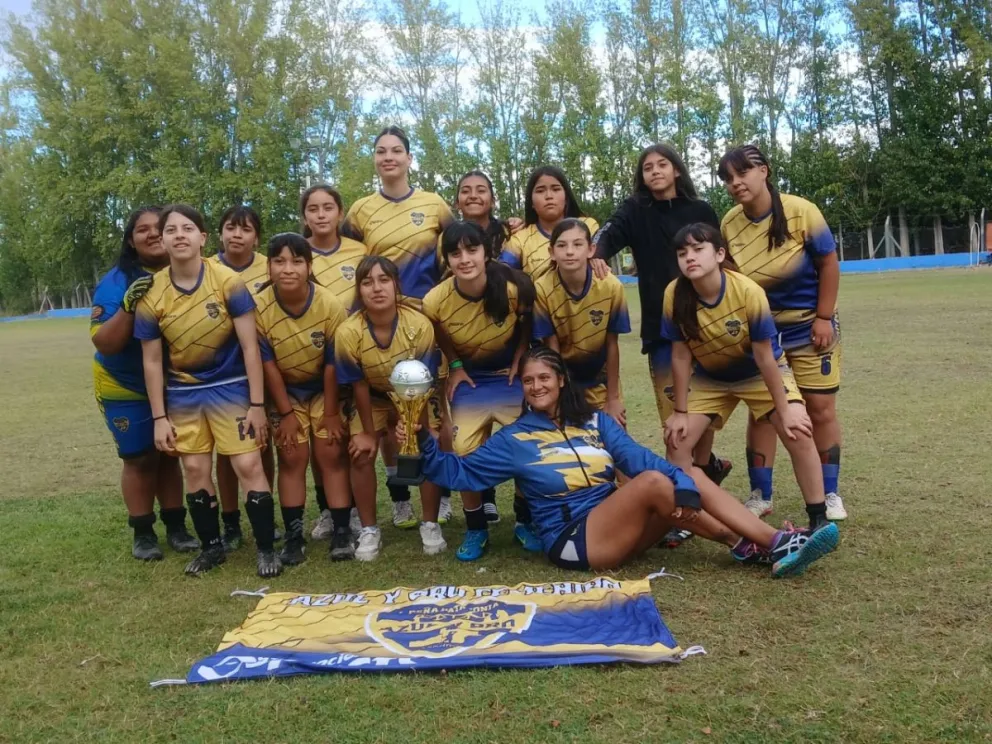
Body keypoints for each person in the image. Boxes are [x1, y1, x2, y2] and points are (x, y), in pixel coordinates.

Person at [398, 346, 839, 576]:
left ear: (560, 380)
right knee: (653, 484)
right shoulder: (515, 439)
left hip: (618, 524)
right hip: (573, 541)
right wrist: (421, 439)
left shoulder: (594, 420)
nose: (535, 386)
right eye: (529, 381)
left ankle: (753, 547)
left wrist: (680, 481)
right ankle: (775, 542)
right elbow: (459, 473)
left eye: (544, 378)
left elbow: (637, 456)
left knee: (677, 476)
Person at [592, 143, 732, 547]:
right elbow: (609, 232)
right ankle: (687, 501)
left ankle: (699, 477)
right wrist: (597, 254)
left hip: (708, 328)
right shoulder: (635, 210)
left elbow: (723, 258)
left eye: (662, 164)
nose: (654, 171)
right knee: (676, 419)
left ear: (676, 170)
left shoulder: (701, 210)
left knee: (701, 412)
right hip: (663, 332)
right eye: (647, 167)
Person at [134, 204, 281, 578]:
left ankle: (266, 548)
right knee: (196, 468)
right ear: (163, 240)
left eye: (188, 228)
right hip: (182, 394)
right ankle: (211, 547)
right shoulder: (153, 295)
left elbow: (251, 347)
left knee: (248, 464)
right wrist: (159, 418)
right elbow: (152, 361)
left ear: (203, 238)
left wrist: (258, 405)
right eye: (171, 230)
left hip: (231, 389)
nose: (179, 235)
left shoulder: (227, 280)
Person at [661, 223, 830, 531]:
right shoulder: (674, 293)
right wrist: (680, 412)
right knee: (677, 439)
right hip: (711, 377)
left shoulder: (748, 291)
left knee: (797, 431)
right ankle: (686, 518)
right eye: (683, 253)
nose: (690, 258)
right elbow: (681, 354)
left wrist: (785, 408)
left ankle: (819, 518)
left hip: (758, 373)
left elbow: (766, 357)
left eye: (698, 249)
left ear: (719, 253)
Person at [718, 144, 846, 522]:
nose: (735, 183)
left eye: (742, 173)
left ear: (764, 171)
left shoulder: (802, 211)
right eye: (727, 178)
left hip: (809, 325)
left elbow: (829, 264)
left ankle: (830, 493)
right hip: (763, 333)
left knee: (819, 409)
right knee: (763, 412)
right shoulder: (729, 223)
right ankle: (761, 494)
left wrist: (823, 318)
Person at [340, 126, 456, 529]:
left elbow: (457, 249)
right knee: (388, 420)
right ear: (374, 160)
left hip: (423, 325)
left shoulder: (434, 204)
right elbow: (344, 260)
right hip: (377, 323)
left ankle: (438, 495)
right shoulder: (359, 211)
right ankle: (399, 495)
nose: (388, 157)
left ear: (409, 158)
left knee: (430, 417)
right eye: (380, 151)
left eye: (396, 151)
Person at [422, 221, 538, 561]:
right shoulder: (435, 300)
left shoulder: (515, 286)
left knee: (527, 444)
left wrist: (521, 358)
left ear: (487, 252)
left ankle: (525, 522)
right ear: (447, 260)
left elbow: (527, 322)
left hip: (508, 379)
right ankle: (476, 530)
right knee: (462, 451)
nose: (464, 259)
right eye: (455, 253)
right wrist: (456, 365)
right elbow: (440, 334)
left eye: (472, 250)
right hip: (471, 382)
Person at [90, 206, 198, 560]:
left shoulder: (188, 273)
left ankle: (177, 526)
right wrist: (128, 306)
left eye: (160, 227)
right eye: (143, 230)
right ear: (131, 241)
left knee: (168, 455)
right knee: (138, 458)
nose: (153, 234)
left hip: (171, 383)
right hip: (124, 384)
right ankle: (143, 532)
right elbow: (105, 343)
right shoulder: (116, 283)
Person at [334, 255, 445, 561]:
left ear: (397, 285)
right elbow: (357, 386)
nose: (377, 288)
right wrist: (368, 434)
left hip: (416, 396)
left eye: (384, 280)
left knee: (428, 445)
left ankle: (430, 523)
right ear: (359, 290)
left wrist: (414, 428)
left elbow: (422, 382)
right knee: (361, 452)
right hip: (372, 397)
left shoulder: (419, 325)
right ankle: (370, 529)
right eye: (367, 282)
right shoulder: (348, 332)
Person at [254, 233, 352, 562]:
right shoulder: (258, 307)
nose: (288, 268)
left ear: (309, 266)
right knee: (292, 456)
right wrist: (285, 413)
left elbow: (331, 364)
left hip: (325, 388)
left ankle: (341, 531)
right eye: (279, 261)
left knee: (331, 453)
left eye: (296, 261)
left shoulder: (329, 304)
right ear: (268, 267)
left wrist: (332, 413)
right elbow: (267, 365)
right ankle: (294, 536)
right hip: (285, 391)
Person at [451, 169, 521, 524]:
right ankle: (483, 504)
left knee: (523, 436)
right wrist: (453, 365)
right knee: (469, 439)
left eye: (482, 190)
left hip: (507, 337)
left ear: (493, 198)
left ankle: (528, 515)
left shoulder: (511, 234)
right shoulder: (448, 239)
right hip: (467, 346)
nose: (474, 195)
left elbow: (524, 292)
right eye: (466, 190)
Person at [299, 184, 368, 540]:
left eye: (328, 207)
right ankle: (327, 509)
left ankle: (351, 510)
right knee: (319, 445)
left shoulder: (359, 250)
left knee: (345, 437)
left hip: (351, 358)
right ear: (305, 216)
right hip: (308, 362)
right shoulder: (297, 255)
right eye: (314, 208)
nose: (322, 214)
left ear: (341, 213)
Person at [207, 206, 276, 552]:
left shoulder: (270, 266)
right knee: (227, 451)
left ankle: (266, 516)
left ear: (256, 237)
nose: (237, 235)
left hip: (268, 367)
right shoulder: (208, 269)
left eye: (245, 229)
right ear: (220, 233)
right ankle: (230, 521)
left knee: (264, 444)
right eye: (230, 228)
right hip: (223, 373)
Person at [533, 218, 630, 424]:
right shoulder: (541, 289)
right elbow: (552, 346)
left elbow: (612, 343)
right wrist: (562, 394)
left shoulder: (611, 286)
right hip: (563, 376)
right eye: (561, 245)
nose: (569, 252)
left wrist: (613, 398)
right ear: (551, 252)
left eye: (577, 244)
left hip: (600, 377)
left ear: (591, 249)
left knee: (615, 438)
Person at [501, 166, 599, 281]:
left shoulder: (588, 226)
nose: (549, 196)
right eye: (540, 191)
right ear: (531, 201)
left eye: (556, 189)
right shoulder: (519, 239)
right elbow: (502, 274)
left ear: (566, 197)